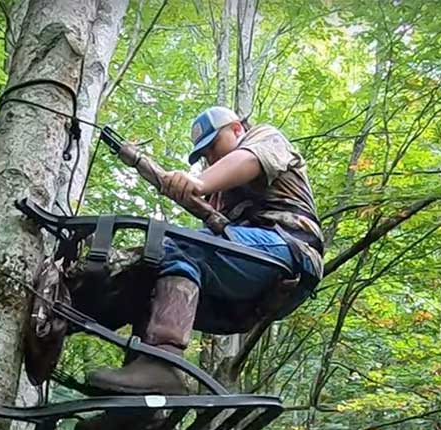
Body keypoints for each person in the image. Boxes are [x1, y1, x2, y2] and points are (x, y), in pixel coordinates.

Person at [84, 105, 325, 397]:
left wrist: (198, 183)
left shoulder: (265, 138)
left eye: (213, 146)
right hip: (244, 296)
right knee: (147, 280)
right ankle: (140, 401)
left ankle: (163, 365)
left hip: (289, 249)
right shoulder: (220, 193)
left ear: (237, 129)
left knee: (182, 245)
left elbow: (249, 159)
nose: (210, 158)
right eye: (203, 155)